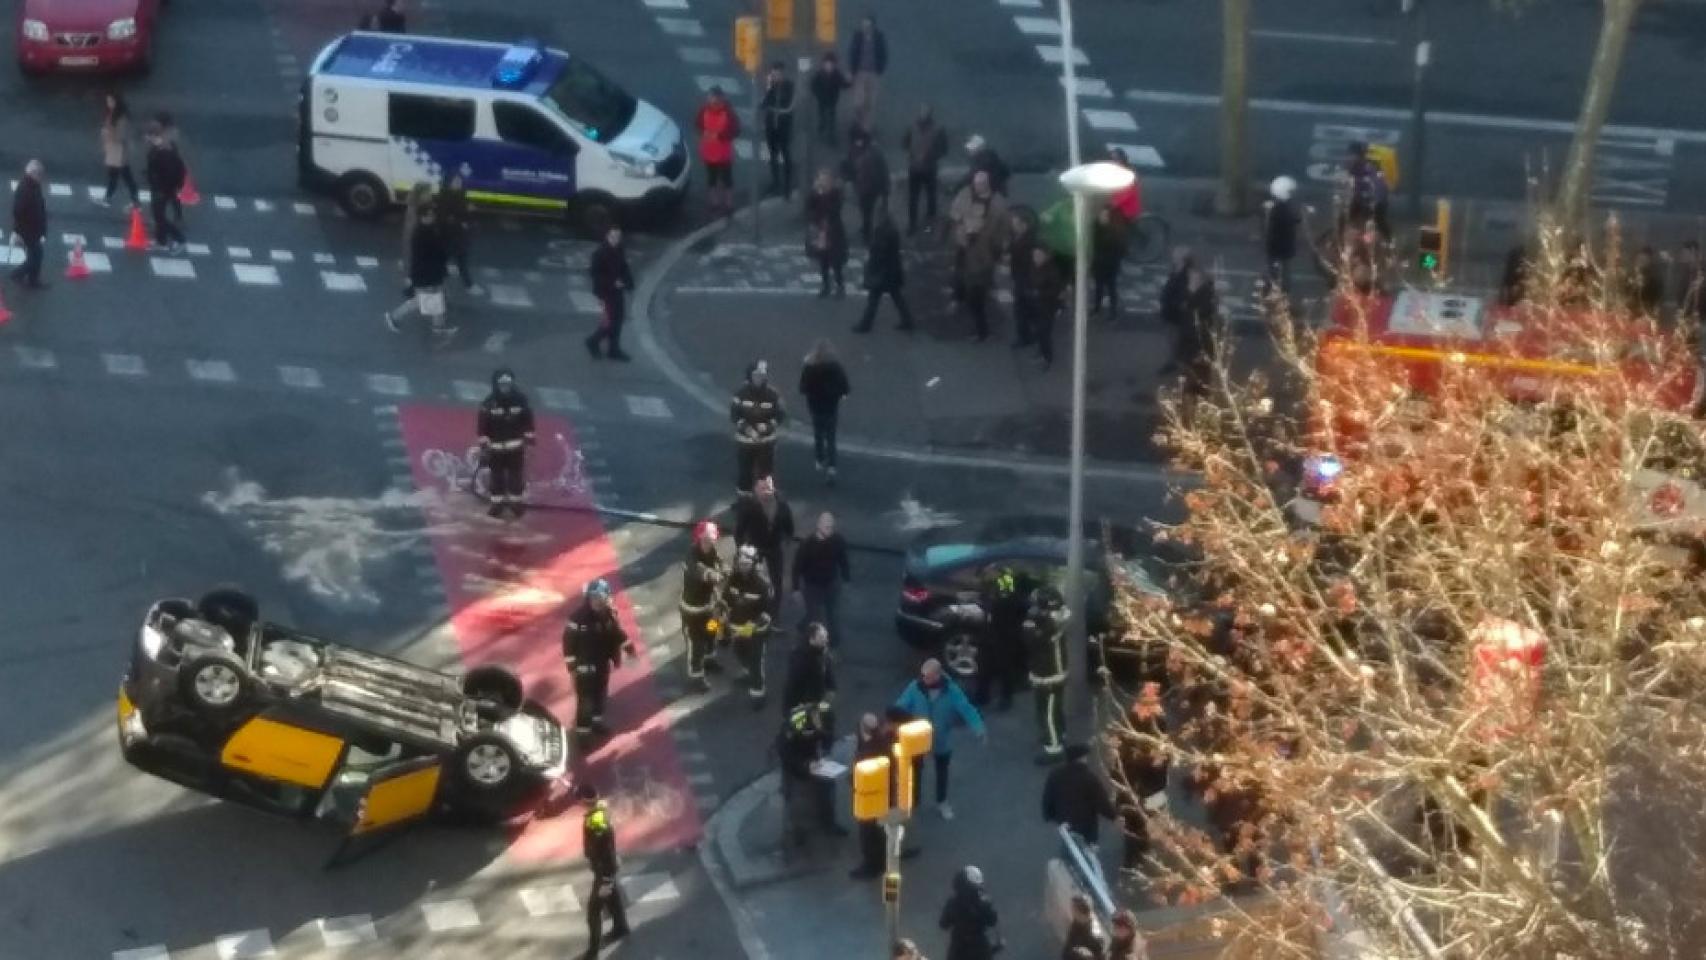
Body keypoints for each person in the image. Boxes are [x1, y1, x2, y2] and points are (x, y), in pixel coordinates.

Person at [893, 659, 985, 819]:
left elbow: (966, 708)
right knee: (915, 771)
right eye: (923, 676)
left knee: (942, 772)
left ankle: (942, 801)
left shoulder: (952, 690)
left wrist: (978, 727)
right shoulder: (915, 687)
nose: (924, 679)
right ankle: (914, 801)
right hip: (918, 737)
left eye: (928, 677)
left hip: (941, 738)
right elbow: (901, 706)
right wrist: (894, 723)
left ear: (938, 675)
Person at [562, 579, 636, 741]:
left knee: (600, 695)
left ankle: (596, 722)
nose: (597, 601)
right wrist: (572, 665)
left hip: (602, 664)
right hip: (584, 667)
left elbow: (616, 633)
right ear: (588, 598)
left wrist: (628, 647)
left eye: (600, 598)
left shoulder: (609, 614)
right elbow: (568, 644)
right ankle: (583, 733)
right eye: (593, 598)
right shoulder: (577, 619)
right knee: (585, 701)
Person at [850, 707, 918, 879]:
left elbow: (863, 773)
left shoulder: (872, 747)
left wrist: (852, 781)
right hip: (889, 792)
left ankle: (873, 865)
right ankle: (892, 854)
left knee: (869, 831)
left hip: (873, 795)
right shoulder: (883, 741)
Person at [1110, 682, 1170, 871]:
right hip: (1134, 782)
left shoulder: (1158, 722)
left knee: (1145, 818)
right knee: (1133, 820)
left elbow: (1162, 756)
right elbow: (1122, 755)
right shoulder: (1130, 722)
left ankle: (1141, 851)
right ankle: (1132, 857)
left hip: (1150, 784)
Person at [947, 170, 1011, 343]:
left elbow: (1003, 228)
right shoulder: (966, 193)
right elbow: (954, 212)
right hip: (964, 245)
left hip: (984, 251)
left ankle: (980, 325)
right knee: (959, 272)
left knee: (977, 285)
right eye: (976, 184)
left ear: (987, 184)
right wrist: (962, 224)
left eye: (981, 184)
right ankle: (959, 296)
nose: (977, 187)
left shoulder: (998, 203)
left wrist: (999, 247)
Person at [385, 201, 455, 339]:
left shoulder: (427, 229)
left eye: (432, 214)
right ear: (422, 216)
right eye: (429, 215)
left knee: (435, 297)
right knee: (421, 300)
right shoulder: (423, 233)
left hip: (429, 273)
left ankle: (438, 326)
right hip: (426, 274)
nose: (432, 217)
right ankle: (394, 317)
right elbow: (431, 254)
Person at [779, 699, 844, 843]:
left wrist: (825, 753)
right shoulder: (797, 720)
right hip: (795, 759)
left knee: (827, 787)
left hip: (813, 754)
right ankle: (797, 831)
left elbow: (828, 735)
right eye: (820, 725)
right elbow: (785, 751)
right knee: (794, 795)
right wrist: (804, 765)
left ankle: (829, 823)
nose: (820, 728)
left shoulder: (825, 715)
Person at [476, 368, 535, 519]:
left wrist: (530, 438)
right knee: (497, 477)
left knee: (515, 476)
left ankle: (516, 504)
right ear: (496, 384)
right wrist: (483, 444)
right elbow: (482, 425)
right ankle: (497, 504)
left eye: (508, 383)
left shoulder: (520, 400)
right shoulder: (489, 403)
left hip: (515, 448)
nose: (505, 387)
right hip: (495, 449)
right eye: (502, 384)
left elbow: (528, 420)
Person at [579, 783, 630, 959]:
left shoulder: (596, 821)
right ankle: (621, 928)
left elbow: (605, 847)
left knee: (593, 910)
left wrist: (606, 874)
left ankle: (593, 951)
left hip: (604, 873)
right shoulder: (599, 811)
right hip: (608, 870)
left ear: (583, 801)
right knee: (612, 899)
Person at [721, 545, 775, 708]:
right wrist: (719, 624)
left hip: (756, 631)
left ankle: (758, 694)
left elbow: (767, 612)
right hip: (737, 627)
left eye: (746, 564)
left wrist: (749, 628)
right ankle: (747, 672)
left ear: (754, 563)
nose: (743, 567)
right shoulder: (733, 578)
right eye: (740, 563)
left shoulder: (762, 584)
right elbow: (725, 600)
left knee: (756, 662)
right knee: (739, 652)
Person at [1024, 585, 1070, 764]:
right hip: (1053, 670)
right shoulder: (1057, 619)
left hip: (1047, 672)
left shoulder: (1047, 623)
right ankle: (1060, 734)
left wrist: (1030, 624)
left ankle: (1054, 748)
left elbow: (1030, 640)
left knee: (1048, 712)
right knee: (1054, 708)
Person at [974, 565, 1028, 710]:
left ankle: (1005, 698)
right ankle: (982, 695)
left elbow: (1011, 604)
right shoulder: (991, 585)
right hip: (990, 633)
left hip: (1004, 634)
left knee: (1005, 668)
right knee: (984, 665)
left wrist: (989, 604)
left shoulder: (1006, 584)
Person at [735, 474, 795, 606]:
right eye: (762, 488)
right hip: (755, 547)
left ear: (773, 487)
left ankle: (774, 612)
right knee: (750, 576)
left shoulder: (782, 505)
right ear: (756, 489)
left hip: (774, 547)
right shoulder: (749, 505)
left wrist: (788, 539)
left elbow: (789, 525)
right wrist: (741, 547)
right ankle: (753, 606)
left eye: (768, 487)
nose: (766, 491)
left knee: (776, 580)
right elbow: (739, 529)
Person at [680, 520, 726, 692]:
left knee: (712, 632)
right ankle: (696, 675)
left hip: (709, 606)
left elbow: (721, 564)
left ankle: (710, 659)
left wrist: (726, 571)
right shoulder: (691, 555)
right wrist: (713, 575)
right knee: (696, 644)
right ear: (698, 538)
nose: (710, 542)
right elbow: (698, 570)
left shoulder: (713, 552)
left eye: (712, 538)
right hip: (692, 611)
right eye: (706, 539)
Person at [1043, 743, 1117, 848]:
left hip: (1064, 821)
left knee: (1068, 846)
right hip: (1085, 824)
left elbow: (1048, 797)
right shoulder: (1088, 778)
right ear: (1082, 758)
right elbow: (1101, 801)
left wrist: (1049, 815)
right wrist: (1113, 816)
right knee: (1088, 849)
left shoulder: (1055, 775)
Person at [856, 205, 915, 335]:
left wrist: (871, 261)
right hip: (892, 271)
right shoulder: (892, 231)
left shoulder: (881, 231)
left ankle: (865, 325)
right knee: (896, 297)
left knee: (874, 299)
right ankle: (907, 320)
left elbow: (878, 251)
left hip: (882, 271)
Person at [792, 511, 850, 644]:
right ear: (819, 525)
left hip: (831, 583)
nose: (829, 530)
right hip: (813, 585)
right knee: (815, 616)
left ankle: (834, 645)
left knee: (833, 616)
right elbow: (797, 567)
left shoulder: (838, 541)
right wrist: (795, 588)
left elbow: (843, 560)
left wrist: (846, 577)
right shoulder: (807, 544)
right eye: (826, 527)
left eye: (831, 527)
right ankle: (808, 640)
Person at [731, 361, 785, 493]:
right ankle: (744, 497)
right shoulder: (740, 394)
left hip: (766, 443)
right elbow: (735, 416)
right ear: (750, 376)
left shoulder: (773, 395)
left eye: (762, 375)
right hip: (745, 441)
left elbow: (780, 415)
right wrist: (747, 429)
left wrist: (767, 427)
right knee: (745, 473)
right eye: (756, 375)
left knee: (765, 474)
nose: (759, 378)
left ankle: (766, 500)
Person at [799, 340, 852, 476]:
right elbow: (845, 387)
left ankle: (819, 459)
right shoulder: (835, 368)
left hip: (815, 406)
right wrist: (840, 395)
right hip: (831, 407)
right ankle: (832, 466)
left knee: (818, 434)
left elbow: (803, 388)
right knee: (831, 437)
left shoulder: (809, 368)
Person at [587, 224, 634, 361]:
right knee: (611, 321)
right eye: (613, 236)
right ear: (607, 237)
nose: (615, 239)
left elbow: (624, 267)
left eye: (618, 237)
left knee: (618, 320)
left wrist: (628, 283)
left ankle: (613, 349)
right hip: (605, 292)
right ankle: (593, 341)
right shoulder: (600, 253)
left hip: (617, 291)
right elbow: (595, 273)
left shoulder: (619, 250)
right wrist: (613, 282)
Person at [902, 104, 948, 235]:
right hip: (918, 168)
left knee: (929, 197)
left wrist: (930, 156)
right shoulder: (914, 127)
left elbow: (943, 149)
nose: (923, 114)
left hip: (926, 168)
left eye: (925, 112)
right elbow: (905, 143)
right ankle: (914, 224)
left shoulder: (937, 129)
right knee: (916, 198)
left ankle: (926, 224)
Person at [938, 866, 1001, 960]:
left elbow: (943, 924)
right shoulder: (984, 903)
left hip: (958, 947)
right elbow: (993, 921)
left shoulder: (952, 903)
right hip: (980, 946)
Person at [696, 87, 740, 218]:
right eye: (710, 97)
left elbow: (735, 130)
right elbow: (698, 123)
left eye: (714, 97)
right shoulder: (704, 110)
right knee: (712, 178)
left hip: (723, 152)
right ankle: (714, 202)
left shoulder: (728, 112)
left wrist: (719, 136)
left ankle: (729, 204)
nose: (711, 100)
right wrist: (704, 132)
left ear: (721, 98)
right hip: (709, 150)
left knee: (727, 179)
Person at [805, 170, 850, 299]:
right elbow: (808, 209)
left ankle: (840, 286)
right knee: (823, 260)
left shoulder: (835, 194)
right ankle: (826, 286)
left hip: (834, 231)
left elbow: (835, 210)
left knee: (836, 262)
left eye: (825, 180)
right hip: (820, 232)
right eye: (820, 180)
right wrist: (816, 196)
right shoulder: (814, 195)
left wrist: (824, 197)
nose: (822, 183)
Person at [841, 129, 890, 246]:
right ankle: (866, 230)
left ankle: (867, 234)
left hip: (872, 187)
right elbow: (848, 166)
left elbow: (883, 171)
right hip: (863, 186)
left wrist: (885, 191)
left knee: (868, 210)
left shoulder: (874, 152)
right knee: (865, 210)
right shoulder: (860, 151)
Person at [144, 126, 188, 254]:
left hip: (163, 189)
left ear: (154, 136)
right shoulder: (161, 149)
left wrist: (168, 187)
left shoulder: (165, 152)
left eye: (149, 136)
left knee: (159, 216)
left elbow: (171, 172)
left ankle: (180, 239)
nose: (147, 139)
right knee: (158, 214)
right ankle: (161, 240)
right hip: (160, 187)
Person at [437, 173, 481, 295]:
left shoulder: (462, 196)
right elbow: (443, 217)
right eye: (455, 181)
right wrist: (461, 223)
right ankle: (468, 285)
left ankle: (466, 284)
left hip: (460, 237)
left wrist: (470, 215)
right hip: (448, 236)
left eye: (459, 181)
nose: (458, 184)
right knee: (455, 260)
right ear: (449, 182)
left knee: (459, 259)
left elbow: (467, 214)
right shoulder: (444, 197)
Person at [760, 62, 797, 199]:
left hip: (784, 127)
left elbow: (788, 104)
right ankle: (775, 183)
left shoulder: (789, 86)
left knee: (786, 154)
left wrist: (775, 108)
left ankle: (787, 186)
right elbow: (764, 104)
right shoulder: (771, 87)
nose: (775, 77)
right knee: (773, 155)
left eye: (777, 74)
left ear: (782, 74)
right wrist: (769, 88)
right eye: (773, 74)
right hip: (771, 127)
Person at [10, 160, 48, 290]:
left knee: (36, 255)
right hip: (28, 230)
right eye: (39, 174)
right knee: (36, 256)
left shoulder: (31, 185)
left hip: (33, 228)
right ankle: (18, 275)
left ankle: (32, 280)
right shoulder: (26, 189)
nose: (41, 177)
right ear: (33, 173)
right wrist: (18, 231)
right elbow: (18, 211)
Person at [847, 14, 888, 132]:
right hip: (860, 73)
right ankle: (858, 121)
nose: (866, 27)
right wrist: (851, 70)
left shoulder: (879, 37)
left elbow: (884, 54)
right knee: (858, 102)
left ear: (873, 26)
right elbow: (852, 53)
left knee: (870, 103)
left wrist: (880, 69)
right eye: (864, 24)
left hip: (873, 73)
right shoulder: (858, 36)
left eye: (868, 25)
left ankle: (866, 128)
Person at [97, 93, 139, 208]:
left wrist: (107, 134)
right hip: (113, 151)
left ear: (116, 102)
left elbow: (121, 136)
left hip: (118, 152)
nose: (108, 104)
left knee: (125, 176)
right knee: (116, 176)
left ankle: (134, 201)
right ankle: (108, 198)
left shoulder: (121, 118)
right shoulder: (113, 115)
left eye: (110, 101)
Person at [783, 621, 837, 712]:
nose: (826, 640)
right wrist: (790, 710)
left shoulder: (822, 651)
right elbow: (792, 686)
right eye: (822, 637)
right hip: (805, 705)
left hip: (817, 700)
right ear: (811, 639)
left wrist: (831, 688)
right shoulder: (801, 660)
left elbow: (826, 671)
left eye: (826, 636)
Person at [1263, 175, 1302, 297]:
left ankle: (1274, 291)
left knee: (1276, 270)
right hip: (1282, 247)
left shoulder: (1275, 207)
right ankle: (1278, 293)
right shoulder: (1282, 209)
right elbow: (1295, 219)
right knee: (1281, 273)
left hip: (1275, 246)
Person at [1342, 141, 1389, 240]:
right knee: (1346, 218)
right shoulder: (1350, 167)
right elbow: (1348, 183)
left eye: (1352, 155)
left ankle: (1389, 242)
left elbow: (1379, 187)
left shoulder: (1369, 168)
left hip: (1375, 200)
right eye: (1348, 155)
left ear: (1360, 156)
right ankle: (1347, 242)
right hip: (1360, 198)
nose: (1349, 158)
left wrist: (1374, 200)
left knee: (1378, 221)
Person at [1031, 243, 1066, 369]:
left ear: (1045, 256)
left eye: (1038, 255)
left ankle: (1048, 357)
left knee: (1044, 332)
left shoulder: (1052, 271)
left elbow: (1055, 291)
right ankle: (1042, 352)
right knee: (1040, 331)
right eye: (1034, 255)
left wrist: (1039, 293)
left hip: (1048, 307)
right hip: (1039, 305)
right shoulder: (1037, 267)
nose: (1035, 258)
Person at [1090, 206, 1127, 319]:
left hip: (1111, 263)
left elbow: (1121, 248)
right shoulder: (1095, 227)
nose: (1103, 217)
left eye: (1105, 216)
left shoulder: (1115, 232)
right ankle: (1097, 308)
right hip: (1099, 262)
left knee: (1111, 287)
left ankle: (1112, 311)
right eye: (1101, 215)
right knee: (1099, 287)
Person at [809, 52, 851, 146]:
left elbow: (843, 84)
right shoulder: (819, 74)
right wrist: (817, 94)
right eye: (827, 64)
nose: (829, 67)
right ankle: (822, 125)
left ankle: (831, 136)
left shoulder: (837, 74)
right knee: (822, 114)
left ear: (835, 65)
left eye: (831, 65)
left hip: (832, 100)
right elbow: (813, 85)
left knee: (832, 118)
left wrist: (849, 82)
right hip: (822, 99)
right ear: (823, 64)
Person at [1062, 893, 1107, 960]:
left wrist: (1085, 956)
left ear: (1081, 912)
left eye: (1074, 909)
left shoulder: (1095, 935)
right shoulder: (1078, 919)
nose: (1071, 911)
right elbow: (1070, 940)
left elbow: (1099, 956)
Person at [1627, 245, 1664, 317]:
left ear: (1649, 261)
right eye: (1639, 259)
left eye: (1643, 260)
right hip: (1631, 313)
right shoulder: (1632, 276)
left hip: (1645, 316)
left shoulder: (1654, 279)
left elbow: (1653, 300)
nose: (1640, 262)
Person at [1678, 240, 1705, 333]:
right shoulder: (1686, 273)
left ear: (1694, 253)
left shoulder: (1702, 272)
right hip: (1686, 320)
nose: (1683, 256)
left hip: (1701, 320)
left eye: (1686, 253)